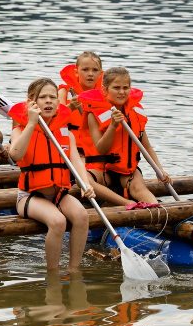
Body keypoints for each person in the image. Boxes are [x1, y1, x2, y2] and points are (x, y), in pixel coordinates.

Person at [9, 78, 92, 272]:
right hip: (30, 196)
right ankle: (53, 273)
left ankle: (73, 269)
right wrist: (31, 124)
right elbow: (15, 155)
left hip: (58, 194)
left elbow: (76, 162)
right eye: (43, 97)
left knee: (81, 216)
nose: (48, 101)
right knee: (58, 221)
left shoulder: (65, 132)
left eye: (53, 97)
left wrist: (86, 184)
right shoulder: (20, 129)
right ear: (32, 102)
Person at [59, 52, 138, 208]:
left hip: (97, 151)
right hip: (72, 147)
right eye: (85, 70)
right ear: (76, 71)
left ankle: (121, 193)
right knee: (81, 163)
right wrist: (69, 108)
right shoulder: (65, 92)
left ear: (101, 73)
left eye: (95, 70)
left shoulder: (106, 94)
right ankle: (89, 187)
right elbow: (55, 120)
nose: (90, 74)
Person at [85, 68, 168, 209]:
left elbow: (146, 146)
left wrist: (159, 170)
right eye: (116, 88)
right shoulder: (93, 114)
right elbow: (101, 148)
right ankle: (127, 203)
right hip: (103, 170)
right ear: (105, 90)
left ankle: (160, 214)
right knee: (85, 181)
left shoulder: (135, 112)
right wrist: (113, 126)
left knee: (139, 188)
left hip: (126, 170)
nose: (122, 92)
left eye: (126, 88)